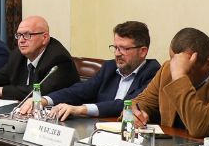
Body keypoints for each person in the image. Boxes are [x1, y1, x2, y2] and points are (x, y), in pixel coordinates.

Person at [23, 21, 160, 119]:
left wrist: (81, 109)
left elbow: (127, 104)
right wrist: (45, 100)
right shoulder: (110, 67)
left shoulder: (153, 72)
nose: (117, 53)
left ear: (143, 51)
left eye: (124, 48)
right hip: (99, 130)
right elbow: (81, 90)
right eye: (115, 47)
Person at [131, 27, 209, 138]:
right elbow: (143, 101)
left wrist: (179, 76)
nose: (175, 67)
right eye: (174, 60)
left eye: (187, 66)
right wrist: (136, 113)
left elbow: (201, 128)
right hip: (170, 145)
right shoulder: (169, 68)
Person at [0, 15, 78, 100]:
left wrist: (2, 90)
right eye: (19, 35)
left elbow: (40, 91)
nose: (21, 40)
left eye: (27, 35)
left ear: (44, 38)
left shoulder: (59, 59)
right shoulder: (18, 54)